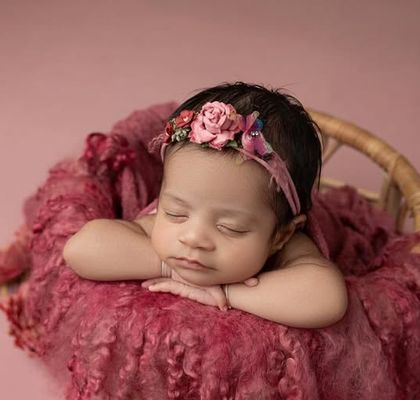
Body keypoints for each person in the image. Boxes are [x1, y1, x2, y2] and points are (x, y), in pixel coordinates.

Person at [63, 82, 348, 328]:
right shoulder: (164, 228)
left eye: (229, 227)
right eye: (176, 212)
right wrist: (166, 267)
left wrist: (226, 292)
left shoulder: (287, 242)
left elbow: (327, 299)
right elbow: (81, 248)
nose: (194, 237)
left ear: (280, 234)